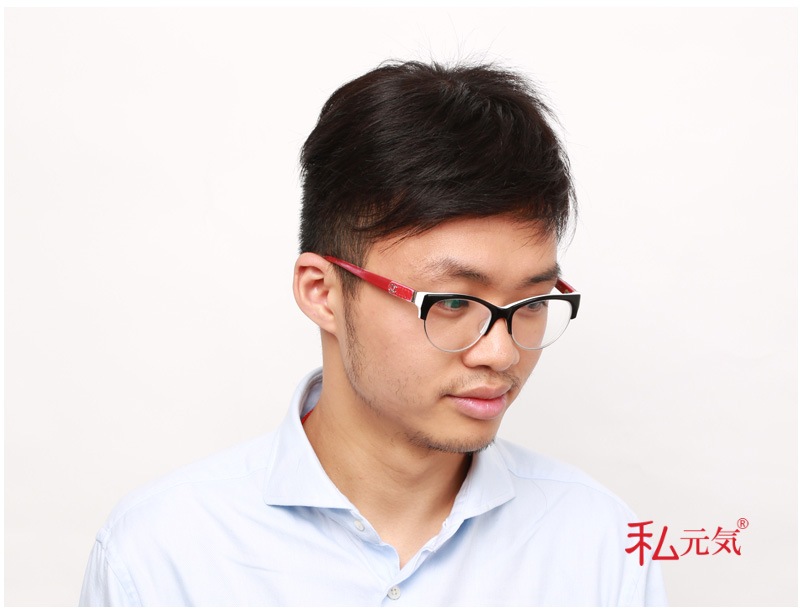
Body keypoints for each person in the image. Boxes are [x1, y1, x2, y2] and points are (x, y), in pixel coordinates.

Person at [79, 60, 667, 606]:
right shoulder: (163, 553)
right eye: (453, 301)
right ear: (323, 292)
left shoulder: (600, 544)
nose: (501, 352)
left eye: (531, 302)